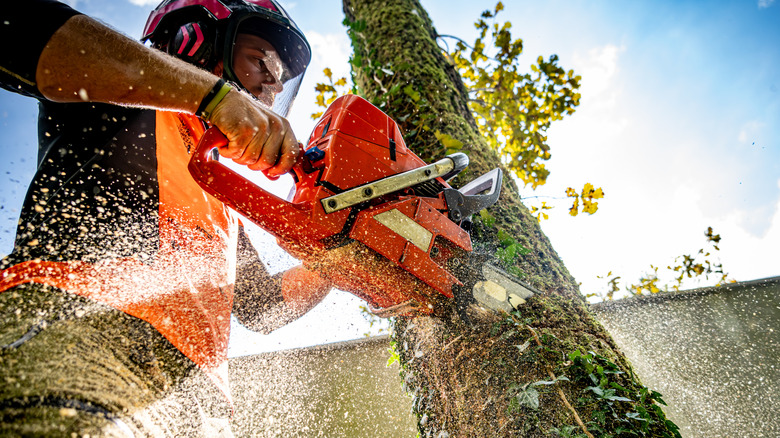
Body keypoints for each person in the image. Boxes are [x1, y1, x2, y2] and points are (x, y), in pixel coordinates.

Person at [0, 1, 331, 436]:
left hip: (198, 400)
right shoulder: (120, 88)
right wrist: (212, 96)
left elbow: (260, 306)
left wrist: (336, 266)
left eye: (282, 75)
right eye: (261, 60)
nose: (274, 81)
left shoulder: (219, 195)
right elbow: (18, 27)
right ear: (193, 38)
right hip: (83, 332)